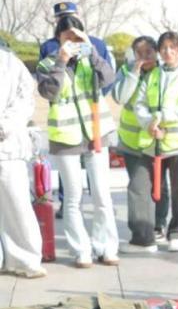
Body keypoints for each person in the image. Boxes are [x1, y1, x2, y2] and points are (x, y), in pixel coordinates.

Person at [35, 15, 119, 268]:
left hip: (96, 133)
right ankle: (81, 250)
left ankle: (106, 247)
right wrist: (61, 61)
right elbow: (49, 91)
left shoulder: (90, 58)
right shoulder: (47, 63)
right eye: (67, 36)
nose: (72, 41)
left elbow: (108, 79)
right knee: (73, 197)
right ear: (58, 38)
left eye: (76, 36)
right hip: (66, 137)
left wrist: (91, 51)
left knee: (102, 195)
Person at [134, 31, 178, 253]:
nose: (168, 51)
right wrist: (149, 123)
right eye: (164, 48)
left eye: (172, 47)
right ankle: (157, 227)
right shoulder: (152, 75)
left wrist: (160, 118)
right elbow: (140, 103)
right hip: (156, 142)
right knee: (157, 189)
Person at [111, 35, 169, 252]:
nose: (144, 57)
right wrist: (134, 73)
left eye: (149, 52)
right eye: (140, 53)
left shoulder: (163, 72)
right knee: (137, 187)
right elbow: (121, 97)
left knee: (159, 184)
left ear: (156, 52)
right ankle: (141, 235)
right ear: (133, 54)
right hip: (132, 141)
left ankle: (158, 226)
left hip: (157, 139)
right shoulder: (126, 71)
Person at [0, 47, 46, 278]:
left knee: (16, 204)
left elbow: (25, 100)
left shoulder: (10, 63)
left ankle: (25, 259)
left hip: (7, 147)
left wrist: (4, 126)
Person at [38, 2, 115, 69]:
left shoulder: (97, 44)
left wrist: (90, 50)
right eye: (61, 17)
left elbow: (108, 76)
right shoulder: (48, 47)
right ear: (56, 20)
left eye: (70, 15)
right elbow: (43, 75)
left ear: (78, 16)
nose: (66, 20)